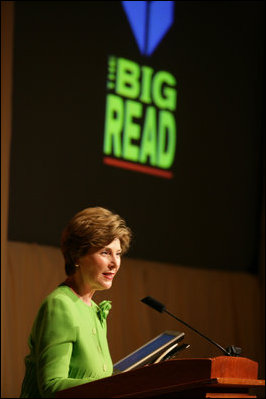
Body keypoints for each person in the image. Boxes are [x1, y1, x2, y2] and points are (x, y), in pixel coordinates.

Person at [20, 206, 132, 398]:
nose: (115, 263)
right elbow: (52, 387)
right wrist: (115, 385)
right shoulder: (60, 305)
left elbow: (96, 380)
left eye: (118, 253)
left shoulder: (94, 309)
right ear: (77, 255)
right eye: (105, 252)